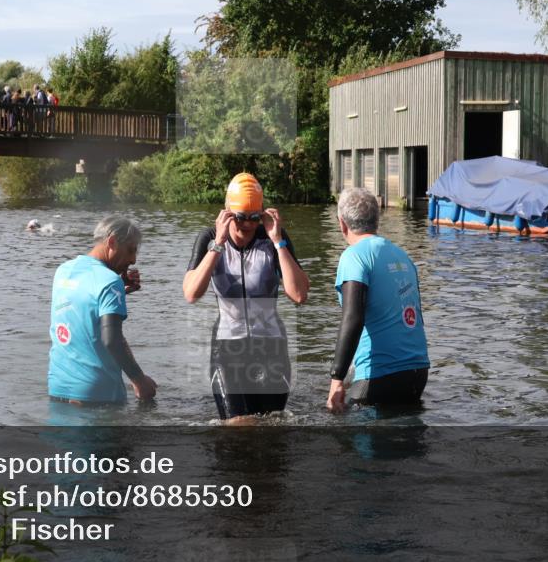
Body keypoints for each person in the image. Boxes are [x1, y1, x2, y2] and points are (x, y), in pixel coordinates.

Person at [183, 173, 309, 421]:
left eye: (254, 217)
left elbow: (299, 295)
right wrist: (218, 244)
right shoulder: (208, 238)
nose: (248, 225)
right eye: (240, 217)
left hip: (271, 348)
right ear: (227, 211)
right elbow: (191, 293)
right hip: (228, 349)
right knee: (237, 425)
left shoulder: (272, 238)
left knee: (272, 426)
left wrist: (278, 241)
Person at [326, 188, 430, 413]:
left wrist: (337, 379)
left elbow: (353, 318)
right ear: (377, 220)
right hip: (418, 372)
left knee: (353, 440)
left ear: (341, 223)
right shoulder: (403, 256)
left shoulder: (353, 256)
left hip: (380, 375)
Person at [48, 216, 156, 405]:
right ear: (112, 242)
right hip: (98, 395)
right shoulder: (109, 281)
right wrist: (140, 381)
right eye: (131, 250)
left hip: (58, 388)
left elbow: (81, 310)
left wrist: (119, 294)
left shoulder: (63, 270)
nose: (133, 259)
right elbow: (112, 340)